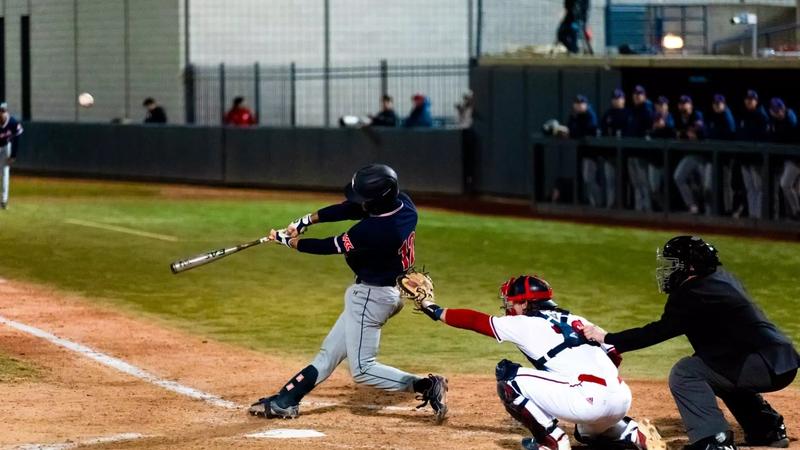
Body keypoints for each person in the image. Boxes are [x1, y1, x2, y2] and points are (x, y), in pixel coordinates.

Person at [247, 164, 448, 422]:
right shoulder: (404, 204)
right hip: (386, 291)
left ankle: (426, 386)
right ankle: (286, 401)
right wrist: (306, 220)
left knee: (363, 370)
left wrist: (288, 241)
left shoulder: (375, 231)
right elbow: (351, 208)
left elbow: (327, 246)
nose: (359, 202)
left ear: (377, 201)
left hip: (370, 298)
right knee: (329, 353)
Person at [584, 236, 799, 450]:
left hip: (760, 364)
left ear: (691, 266)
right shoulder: (720, 279)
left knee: (686, 372)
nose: (668, 270)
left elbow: (657, 332)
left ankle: (714, 441)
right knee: (712, 367)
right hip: (780, 360)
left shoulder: (691, 293)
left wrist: (608, 338)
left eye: (673, 264)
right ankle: (766, 428)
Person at [404, 272, 656, 450]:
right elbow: (614, 354)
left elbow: (475, 321)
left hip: (587, 400)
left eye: (512, 303)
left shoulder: (524, 322)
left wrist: (432, 307)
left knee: (508, 377)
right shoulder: (576, 318)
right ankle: (629, 432)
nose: (509, 308)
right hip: (621, 398)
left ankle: (552, 441)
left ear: (526, 303)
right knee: (585, 431)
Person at [0, 102, 23, 210]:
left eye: (4, 111)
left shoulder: (12, 122)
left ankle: (4, 201)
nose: (3, 113)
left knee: (5, 172)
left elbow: (17, 137)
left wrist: (13, 155)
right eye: (1, 111)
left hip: (6, 146)